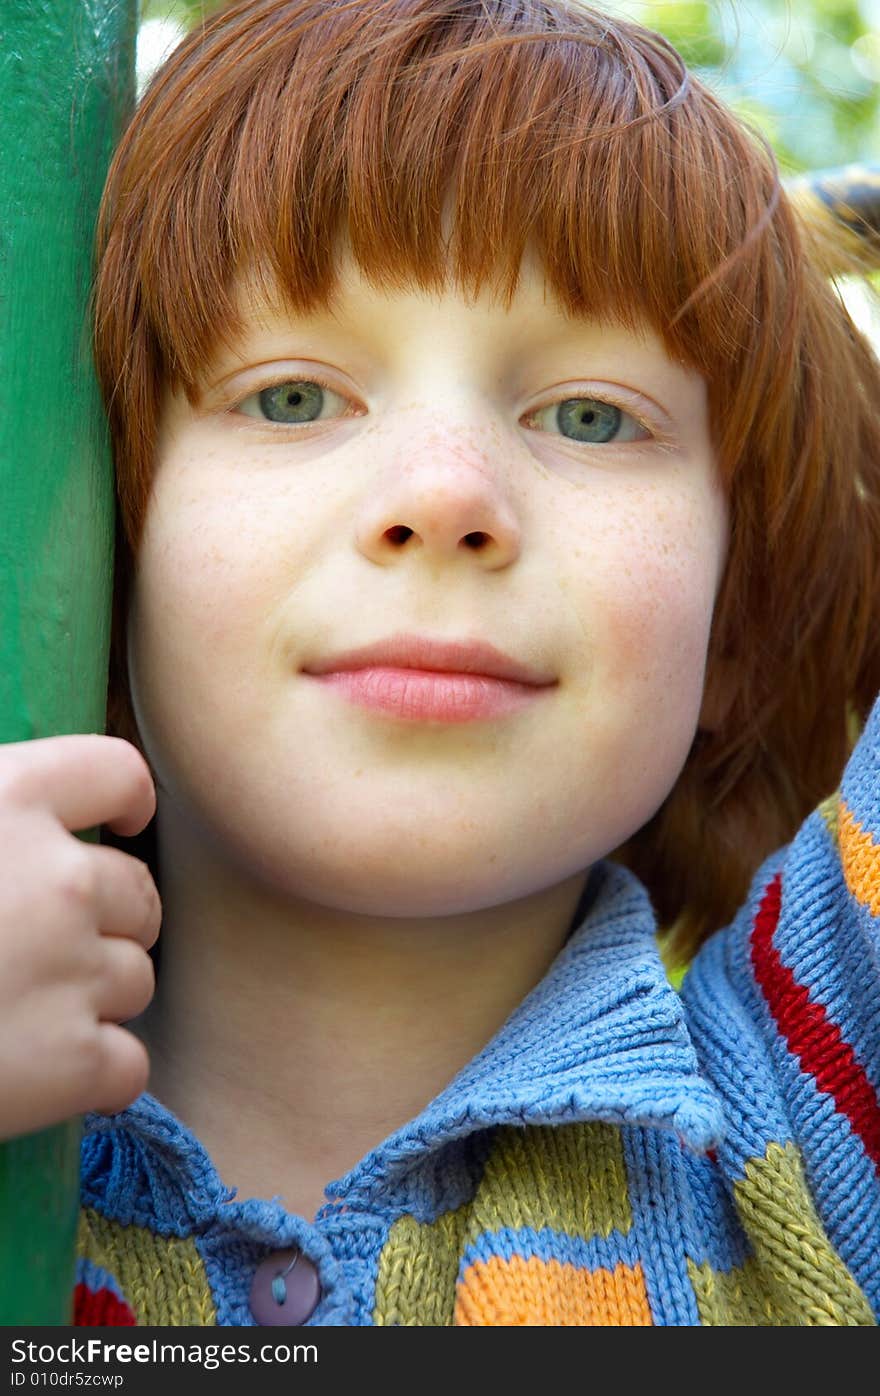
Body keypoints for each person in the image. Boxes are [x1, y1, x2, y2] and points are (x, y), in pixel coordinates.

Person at [1, 0, 878, 1326]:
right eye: (291, 396)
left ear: (735, 631)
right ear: (109, 557)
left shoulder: (818, 1138)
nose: (445, 492)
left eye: (592, 415)